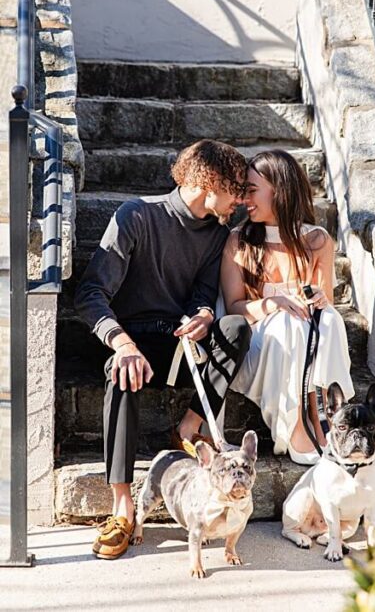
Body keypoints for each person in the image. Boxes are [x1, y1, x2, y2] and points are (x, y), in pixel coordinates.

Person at [74, 139, 253, 560]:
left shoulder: (217, 234)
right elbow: (90, 293)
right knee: (121, 370)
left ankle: (187, 429)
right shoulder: (136, 215)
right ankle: (123, 505)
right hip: (132, 339)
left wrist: (204, 314)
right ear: (209, 181)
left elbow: (203, 294)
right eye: (236, 190)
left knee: (235, 327)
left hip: (180, 343)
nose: (241, 201)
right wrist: (122, 343)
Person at [221, 149, 355, 466]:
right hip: (261, 343)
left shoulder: (317, 241)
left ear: (279, 190)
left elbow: (324, 303)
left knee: (328, 319)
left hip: (307, 339)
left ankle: (318, 415)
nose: (244, 199)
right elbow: (234, 308)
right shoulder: (238, 241)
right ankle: (297, 426)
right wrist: (274, 303)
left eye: (251, 190)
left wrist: (318, 298)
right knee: (288, 321)